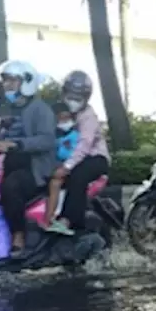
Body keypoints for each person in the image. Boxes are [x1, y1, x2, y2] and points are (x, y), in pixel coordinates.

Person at [0, 60, 57, 253]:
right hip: (11, 164)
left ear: (27, 82)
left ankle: (18, 235)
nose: (7, 85)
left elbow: (47, 140)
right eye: (5, 81)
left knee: (10, 186)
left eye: (12, 81)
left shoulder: (40, 109)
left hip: (34, 168)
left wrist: (18, 144)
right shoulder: (10, 110)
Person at [45, 71, 110, 236]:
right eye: (70, 96)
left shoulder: (88, 117)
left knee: (77, 176)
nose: (73, 102)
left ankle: (67, 220)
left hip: (94, 158)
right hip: (69, 158)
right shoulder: (59, 112)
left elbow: (84, 145)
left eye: (77, 98)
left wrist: (66, 167)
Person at [41, 102, 79, 229]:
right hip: (52, 166)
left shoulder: (75, 135)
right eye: (61, 118)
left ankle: (49, 219)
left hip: (69, 168)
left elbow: (73, 155)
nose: (64, 121)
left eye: (67, 118)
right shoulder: (51, 134)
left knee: (55, 184)